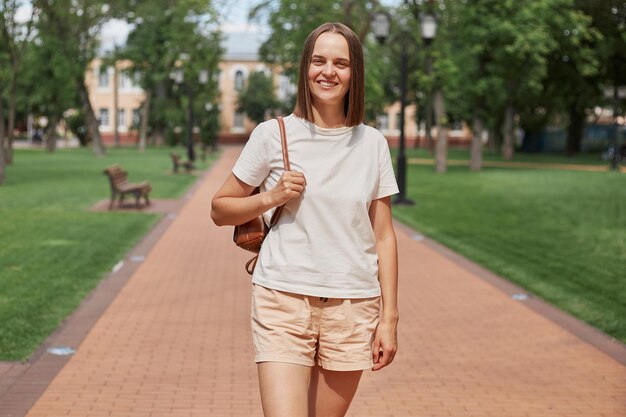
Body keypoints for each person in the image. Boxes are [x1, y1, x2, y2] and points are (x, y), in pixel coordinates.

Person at [211, 22, 399, 417]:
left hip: (352, 305)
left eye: (341, 63)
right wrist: (272, 196)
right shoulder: (272, 134)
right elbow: (220, 208)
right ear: (305, 68)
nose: (328, 71)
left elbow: (383, 236)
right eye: (319, 61)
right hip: (283, 300)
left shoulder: (373, 144)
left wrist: (390, 318)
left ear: (355, 73)